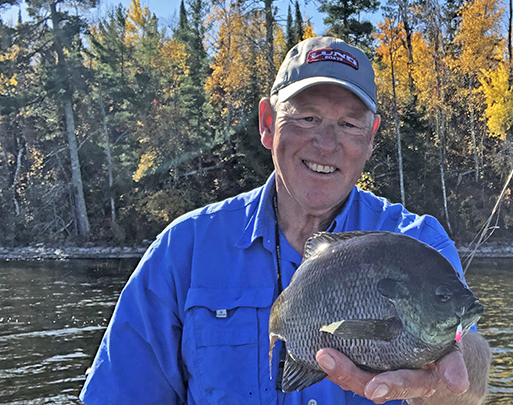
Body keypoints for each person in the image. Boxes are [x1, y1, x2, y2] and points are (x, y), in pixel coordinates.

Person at [80, 36, 492, 405]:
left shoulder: (417, 241)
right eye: (308, 118)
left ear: (370, 139)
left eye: (349, 124)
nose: (327, 144)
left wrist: (448, 370)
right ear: (267, 123)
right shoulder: (182, 250)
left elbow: (466, 357)